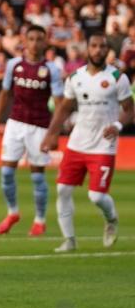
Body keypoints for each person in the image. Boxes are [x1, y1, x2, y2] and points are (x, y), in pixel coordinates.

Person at [40, 33, 134, 252]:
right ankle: (69, 240)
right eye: (94, 46)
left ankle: (111, 219)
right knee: (63, 190)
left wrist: (117, 126)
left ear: (107, 50)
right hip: (77, 143)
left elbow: (130, 109)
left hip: (104, 144)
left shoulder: (117, 77)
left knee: (97, 196)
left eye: (102, 46)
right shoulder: (75, 77)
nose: (98, 50)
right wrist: (51, 134)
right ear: (87, 49)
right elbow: (64, 108)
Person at [0, 25, 64, 236]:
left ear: (45, 42)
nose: (35, 43)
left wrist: (54, 133)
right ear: (25, 41)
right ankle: (12, 212)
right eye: (31, 39)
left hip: (39, 126)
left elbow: (59, 104)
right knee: (6, 173)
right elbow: (4, 94)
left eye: (39, 39)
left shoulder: (51, 69)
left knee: (37, 177)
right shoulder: (14, 65)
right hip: (15, 123)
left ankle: (40, 220)